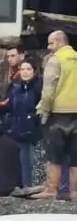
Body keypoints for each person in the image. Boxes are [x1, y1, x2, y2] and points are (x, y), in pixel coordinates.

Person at [39, 30, 77, 197]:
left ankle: (51, 189)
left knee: (53, 153)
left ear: (60, 42)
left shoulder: (56, 60)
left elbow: (48, 90)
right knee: (75, 154)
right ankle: (74, 191)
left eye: (51, 43)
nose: (48, 47)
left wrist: (44, 110)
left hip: (59, 112)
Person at [0, 57, 43, 188]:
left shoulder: (39, 86)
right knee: (19, 158)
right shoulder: (14, 86)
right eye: (22, 69)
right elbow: (9, 105)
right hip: (16, 127)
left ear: (34, 71)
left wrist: (35, 118)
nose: (25, 72)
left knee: (32, 160)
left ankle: (32, 185)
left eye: (28, 69)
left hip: (34, 129)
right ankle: (21, 184)